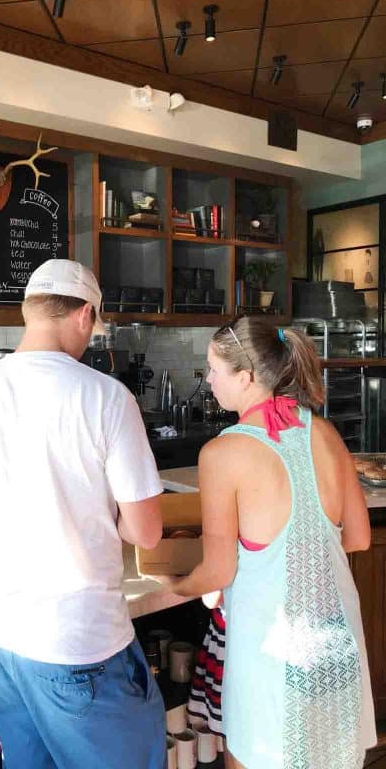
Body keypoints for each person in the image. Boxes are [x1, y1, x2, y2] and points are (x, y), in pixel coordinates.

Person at [0, 259, 167, 769]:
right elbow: (146, 531)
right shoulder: (106, 398)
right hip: (80, 645)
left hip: (1, 644)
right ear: (84, 315)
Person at [156, 316, 375, 769]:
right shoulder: (326, 433)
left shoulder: (222, 453)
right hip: (336, 643)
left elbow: (218, 572)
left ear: (247, 377)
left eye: (214, 369)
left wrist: (173, 585)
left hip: (271, 653)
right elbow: (358, 537)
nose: (209, 379)